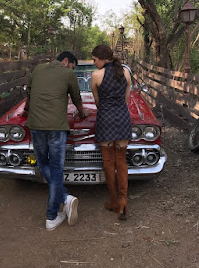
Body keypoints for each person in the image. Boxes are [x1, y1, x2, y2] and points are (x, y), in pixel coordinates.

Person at [24, 51, 88, 231]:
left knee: (43, 163)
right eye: (72, 66)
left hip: (36, 125)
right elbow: (77, 99)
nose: (72, 69)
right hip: (57, 128)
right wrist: (83, 113)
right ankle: (54, 212)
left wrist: (25, 112)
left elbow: (29, 95)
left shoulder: (37, 70)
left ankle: (63, 202)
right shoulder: (67, 74)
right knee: (56, 169)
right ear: (66, 61)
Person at [91, 44, 132, 220]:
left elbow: (97, 101)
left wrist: (107, 109)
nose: (93, 63)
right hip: (123, 118)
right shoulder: (126, 72)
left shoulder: (96, 76)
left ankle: (114, 201)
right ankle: (123, 202)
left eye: (94, 60)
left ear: (102, 58)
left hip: (105, 120)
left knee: (108, 162)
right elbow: (127, 99)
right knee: (121, 161)